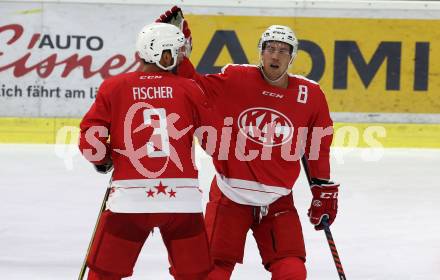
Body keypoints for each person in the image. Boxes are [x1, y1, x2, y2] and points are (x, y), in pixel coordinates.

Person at [157, 7, 340, 280]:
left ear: (292, 57)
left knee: (292, 272)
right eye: (270, 48)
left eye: (283, 50)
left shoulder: (310, 94)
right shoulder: (237, 78)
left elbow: (318, 144)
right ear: (261, 52)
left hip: (278, 199)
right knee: (212, 273)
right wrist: (176, 49)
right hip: (231, 196)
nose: (275, 55)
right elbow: (194, 86)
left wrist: (322, 187)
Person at [78, 22, 213, 280]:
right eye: (178, 51)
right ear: (164, 54)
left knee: (103, 273)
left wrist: (104, 158)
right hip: (182, 201)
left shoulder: (114, 86)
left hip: (131, 200)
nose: (182, 57)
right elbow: (214, 141)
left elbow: (90, 140)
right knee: (195, 275)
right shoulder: (190, 88)